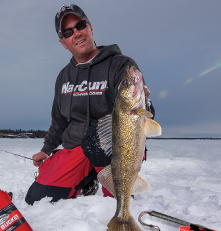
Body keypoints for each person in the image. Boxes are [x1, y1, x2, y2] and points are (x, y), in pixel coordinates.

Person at [25, 4, 155, 205]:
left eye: (80, 25)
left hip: (112, 148)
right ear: (63, 42)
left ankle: (119, 193)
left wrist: (146, 102)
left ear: (90, 27)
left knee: (114, 203)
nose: (76, 33)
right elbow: (59, 121)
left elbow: (139, 109)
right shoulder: (63, 77)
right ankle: (86, 182)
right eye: (68, 32)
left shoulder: (121, 65)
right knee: (36, 200)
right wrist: (47, 149)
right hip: (76, 148)